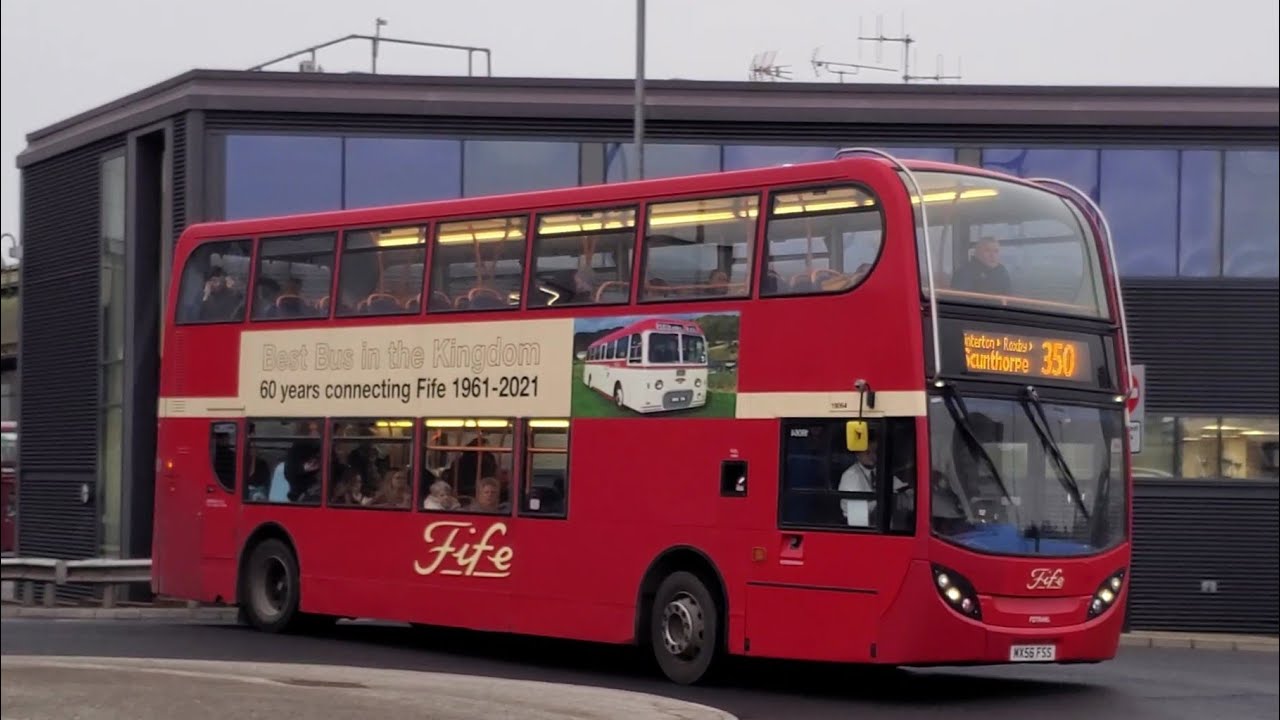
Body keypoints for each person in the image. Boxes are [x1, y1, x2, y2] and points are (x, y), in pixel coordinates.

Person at [837, 438, 907, 526]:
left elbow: (899, 487)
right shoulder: (850, 476)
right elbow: (858, 512)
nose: (873, 455)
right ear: (857, 454)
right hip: (858, 527)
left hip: (881, 524)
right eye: (868, 452)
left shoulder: (878, 470)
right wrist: (884, 499)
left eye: (875, 451)